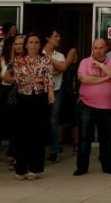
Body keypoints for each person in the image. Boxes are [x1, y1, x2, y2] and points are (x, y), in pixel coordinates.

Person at [5, 33, 54, 180]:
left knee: (38, 133)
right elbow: (12, 78)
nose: (33, 45)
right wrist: (26, 79)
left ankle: (35, 168)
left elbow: (49, 78)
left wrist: (51, 93)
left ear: (40, 45)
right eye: (31, 42)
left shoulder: (45, 60)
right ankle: (21, 169)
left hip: (40, 97)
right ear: (26, 45)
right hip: (23, 97)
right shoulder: (18, 60)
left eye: (36, 42)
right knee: (23, 133)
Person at [75, 37, 111, 176]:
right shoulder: (84, 62)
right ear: (92, 48)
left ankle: (107, 166)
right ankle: (82, 167)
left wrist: (101, 66)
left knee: (106, 138)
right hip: (87, 106)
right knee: (84, 138)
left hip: (107, 107)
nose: (98, 51)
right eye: (95, 48)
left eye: (101, 48)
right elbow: (84, 79)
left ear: (106, 48)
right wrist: (104, 79)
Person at [0, 34, 22, 163]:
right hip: (3, 90)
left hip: (17, 91)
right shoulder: (4, 58)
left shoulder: (25, 59)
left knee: (14, 122)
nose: (18, 46)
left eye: (21, 44)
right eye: (16, 44)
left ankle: (12, 152)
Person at [44, 30, 75, 163]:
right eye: (55, 36)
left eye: (59, 36)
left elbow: (62, 68)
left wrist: (47, 59)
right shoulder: (37, 53)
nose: (58, 38)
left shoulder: (60, 55)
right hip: (40, 91)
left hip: (57, 90)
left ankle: (54, 150)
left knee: (54, 119)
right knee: (41, 119)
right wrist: (51, 69)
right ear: (47, 38)